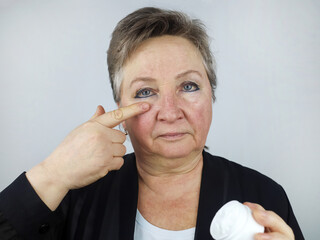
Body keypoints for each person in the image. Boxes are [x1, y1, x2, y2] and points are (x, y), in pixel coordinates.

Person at [0, 7, 304, 240]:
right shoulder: (77, 195)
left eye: (188, 86)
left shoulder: (266, 196)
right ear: (120, 109)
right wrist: (53, 172)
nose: (170, 112)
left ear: (212, 93)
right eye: (145, 92)